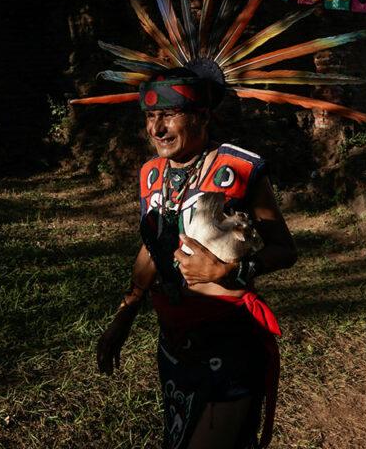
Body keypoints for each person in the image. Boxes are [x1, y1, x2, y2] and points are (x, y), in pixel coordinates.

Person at [95, 70, 298, 449]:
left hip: (228, 342)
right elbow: (153, 245)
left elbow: (284, 248)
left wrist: (230, 270)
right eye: (150, 117)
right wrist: (126, 311)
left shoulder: (237, 169)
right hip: (173, 346)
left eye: (170, 115)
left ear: (202, 117)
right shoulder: (151, 175)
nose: (157, 128)